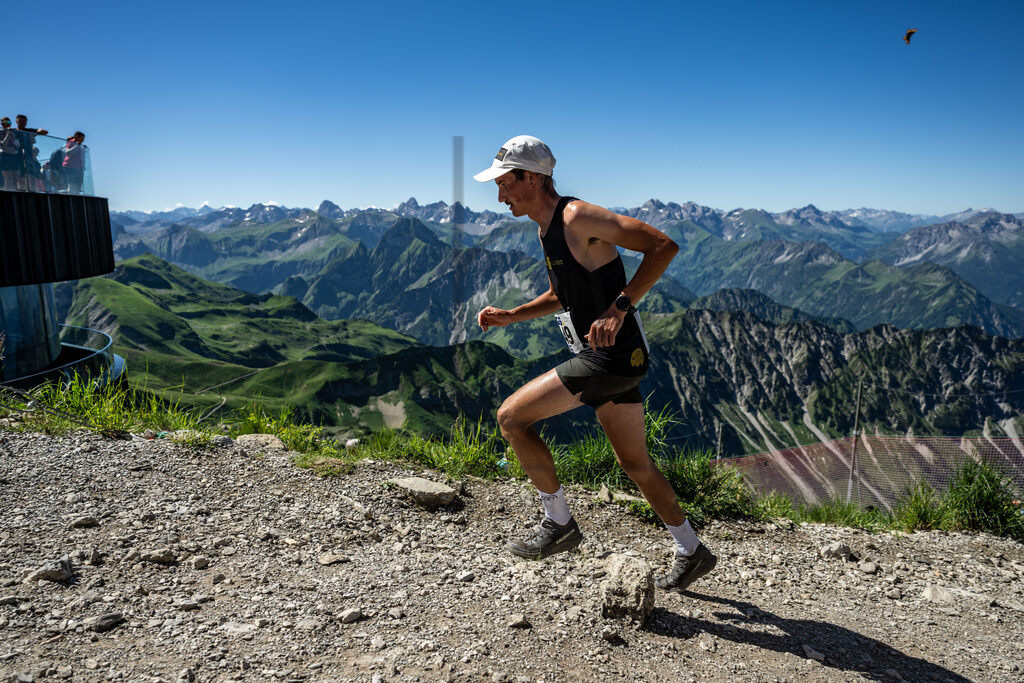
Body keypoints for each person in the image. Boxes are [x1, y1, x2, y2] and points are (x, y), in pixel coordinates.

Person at [473, 135, 717, 592]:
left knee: (511, 418)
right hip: (619, 360)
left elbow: (662, 246)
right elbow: (561, 295)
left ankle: (559, 523)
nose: (500, 194)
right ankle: (692, 550)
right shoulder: (546, 228)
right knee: (636, 464)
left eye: (505, 183)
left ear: (532, 178)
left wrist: (620, 306)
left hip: (609, 357)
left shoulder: (576, 216)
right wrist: (511, 316)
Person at [13, 115, 47, 191]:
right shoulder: (13, 131)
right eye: (20, 121)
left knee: (31, 176)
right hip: (17, 158)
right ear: (16, 122)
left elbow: (44, 132)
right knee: (20, 177)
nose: (22, 123)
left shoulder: (28, 131)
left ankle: (31, 191)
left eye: (24, 121)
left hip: (28, 158)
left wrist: (39, 131)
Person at [0, 117, 21, 190]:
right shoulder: (1, 132)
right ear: (1, 123)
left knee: (15, 179)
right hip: (5, 156)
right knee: (8, 179)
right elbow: (3, 145)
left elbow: (17, 145)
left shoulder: (13, 133)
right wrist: (8, 134)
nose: (7, 124)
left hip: (14, 156)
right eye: (5, 122)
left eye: (9, 123)